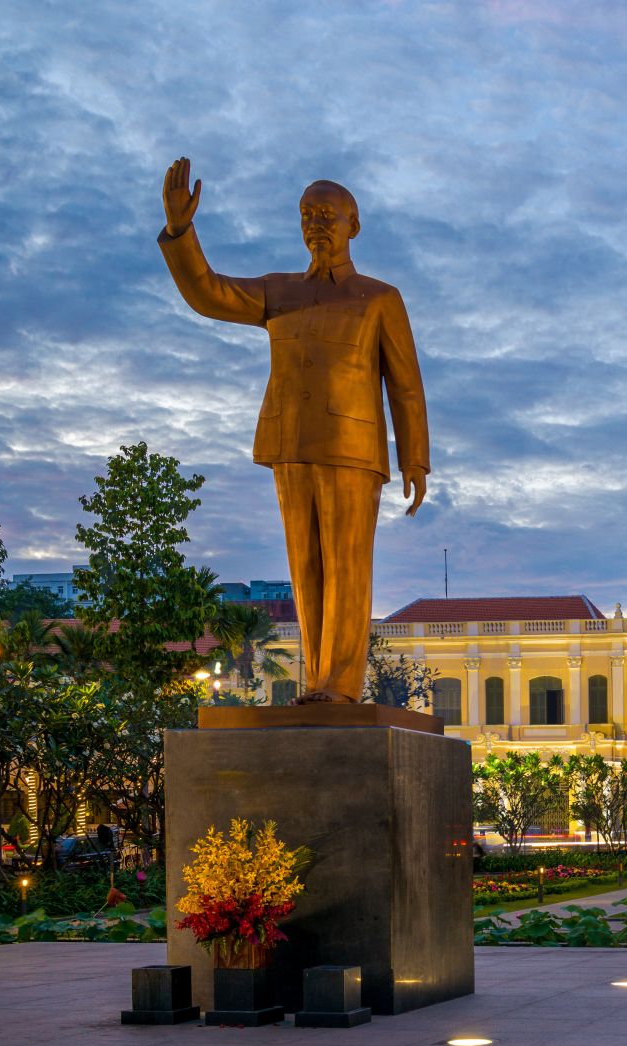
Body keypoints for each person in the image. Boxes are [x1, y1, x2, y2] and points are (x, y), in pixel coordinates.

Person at [157, 158, 430, 704]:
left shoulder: (378, 298)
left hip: (353, 449)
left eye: (327, 214)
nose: (316, 225)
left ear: (354, 223)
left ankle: (341, 686)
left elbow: (405, 384)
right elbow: (209, 292)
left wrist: (415, 459)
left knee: (347, 566)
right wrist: (181, 232)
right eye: (307, 215)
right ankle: (318, 682)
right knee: (305, 570)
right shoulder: (278, 291)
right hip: (289, 445)